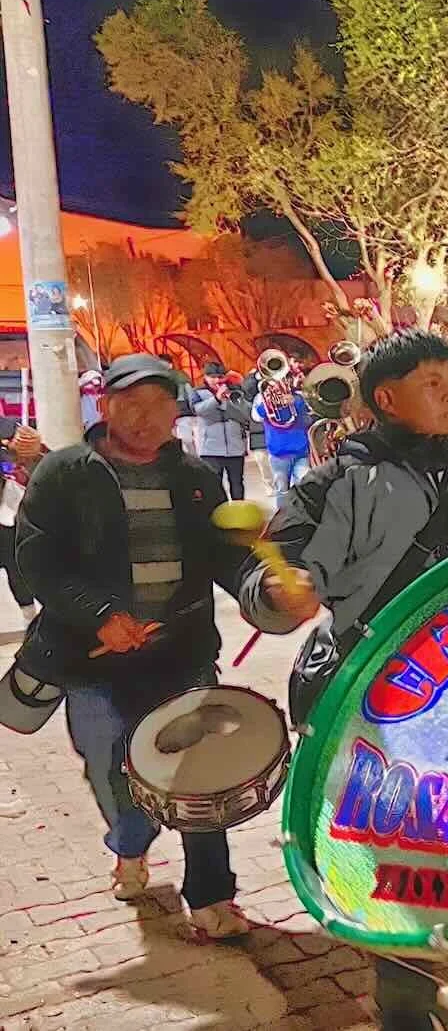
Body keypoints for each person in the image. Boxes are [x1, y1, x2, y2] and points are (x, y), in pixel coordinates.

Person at [239, 329, 448, 1031]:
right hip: (381, 722)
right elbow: (267, 572)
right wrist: (282, 594)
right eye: (432, 381)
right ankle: (404, 1011)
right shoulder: (337, 485)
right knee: (401, 882)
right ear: (386, 398)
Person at [13, 354, 250, 937]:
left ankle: (212, 898)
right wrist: (100, 616)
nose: (144, 418)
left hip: (180, 655)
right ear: (105, 406)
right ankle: (128, 842)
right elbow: (36, 561)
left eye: (157, 404)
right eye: (129, 403)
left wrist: (262, 587)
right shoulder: (65, 473)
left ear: (176, 411)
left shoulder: (196, 479)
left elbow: (223, 559)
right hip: (92, 661)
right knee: (112, 770)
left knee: (199, 775)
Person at [0, 419, 43, 619]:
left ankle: (31, 617)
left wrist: (24, 444)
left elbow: (19, 440)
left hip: (7, 515)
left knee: (16, 566)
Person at [191, 361, 252, 500]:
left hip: (235, 446)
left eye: (220, 377)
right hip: (210, 449)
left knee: (237, 483)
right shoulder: (198, 392)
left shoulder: (236, 391)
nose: (217, 380)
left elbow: (246, 413)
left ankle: (239, 513)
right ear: (205, 377)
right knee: (214, 485)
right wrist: (216, 399)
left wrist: (231, 400)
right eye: (212, 377)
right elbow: (199, 411)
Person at [254, 376, 313, 510]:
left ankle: (302, 516)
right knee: (282, 490)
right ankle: (282, 519)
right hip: (278, 452)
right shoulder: (261, 397)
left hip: (301, 450)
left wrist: (295, 402)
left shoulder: (298, 397)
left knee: (303, 487)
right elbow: (257, 416)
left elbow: (308, 417)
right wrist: (269, 402)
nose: (277, 386)